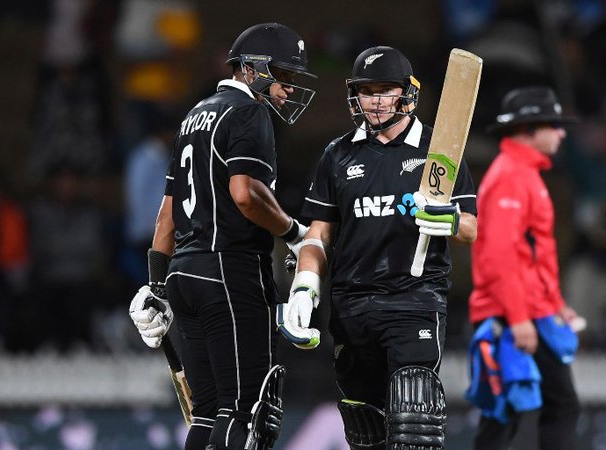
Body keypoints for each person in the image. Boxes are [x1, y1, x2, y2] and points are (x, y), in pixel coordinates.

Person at [127, 23, 316, 450]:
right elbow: (244, 194)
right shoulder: (248, 111)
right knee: (245, 411)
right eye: (283, 75)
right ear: (251, 69)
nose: (288, 89)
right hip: (229, 271)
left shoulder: (193, 116)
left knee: (206, 412)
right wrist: (293, 232)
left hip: (184, 274)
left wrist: (157, 286)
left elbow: (166, 217)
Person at [280, 45, 477, 450]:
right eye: (366, 91)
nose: (375, 100)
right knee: (364, 429)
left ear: (407, 92)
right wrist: (304, 286)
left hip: (414, 299)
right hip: (351, 305)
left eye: (385, 90)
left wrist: (450, 220)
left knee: (413, 419)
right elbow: (318, 234)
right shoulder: (337, 155)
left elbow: (471, 227)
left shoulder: (437, 151)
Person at [467, 86, 583, 450]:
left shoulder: (522, 173)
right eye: (554, 125)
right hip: (514, 313)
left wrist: (555, 303)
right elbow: (500, 254)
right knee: (557, 406)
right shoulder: (512, 177)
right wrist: (518, 318)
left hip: (526, 309)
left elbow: (533, 254)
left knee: (503, 413)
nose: (561, 133)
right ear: (528, 128)